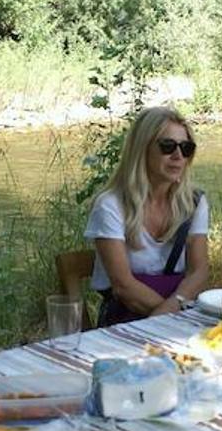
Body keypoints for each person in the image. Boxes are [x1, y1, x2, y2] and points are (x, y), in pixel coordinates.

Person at [85, 106, 211, 326]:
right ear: (142, 149)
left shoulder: (194, 203)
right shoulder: (111, 206)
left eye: (186, 148)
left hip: (178, 316)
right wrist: (172, 320)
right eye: (167, 146)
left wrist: (171, 313)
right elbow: (123, 286)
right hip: (125, 323)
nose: (178, 156)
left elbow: (199, 271)